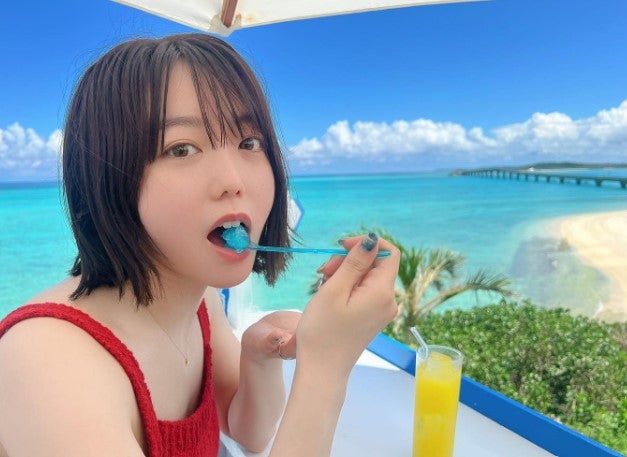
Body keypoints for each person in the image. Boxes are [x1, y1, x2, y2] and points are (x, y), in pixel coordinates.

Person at [0, 34, 399, 457]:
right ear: (107, 179)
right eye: (182, 149)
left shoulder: (199, 298)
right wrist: (327, 366)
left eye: (249, 143)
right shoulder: (48, 361)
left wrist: (258, 354)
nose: (233, 180)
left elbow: (248, 431)